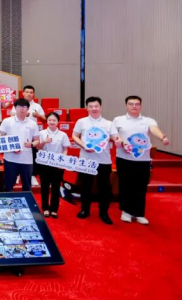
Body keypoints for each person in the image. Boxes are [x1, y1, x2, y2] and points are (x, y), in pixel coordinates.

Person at [113, 95, 170, 225]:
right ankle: (126, 211)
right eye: (131, 104)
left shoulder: (148, 120)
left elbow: (154, 129)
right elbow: (114, 135)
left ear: (140, 106)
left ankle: (139, 213)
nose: (134, 106)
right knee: (125, 185)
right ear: (126, 105)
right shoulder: (118, 120)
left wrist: (162, 137)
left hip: (142, 160)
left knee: (140, 186)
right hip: (124, 158)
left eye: (137, 104)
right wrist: (120, 141)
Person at [72, 96, 120, 224]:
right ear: (86, 108)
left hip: (104, 161)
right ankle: (85, 210)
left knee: (104, 187)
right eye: (91, 106)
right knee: (85, 186)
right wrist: (83, 146)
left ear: (101, 107)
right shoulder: (81, 122)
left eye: (96, 106)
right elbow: (75, 136)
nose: (94, 108)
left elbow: (116, 137)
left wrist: (118, 140)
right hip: (86, 160)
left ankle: (104, 213)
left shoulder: (109, 124)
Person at [0, 98, 40, 191]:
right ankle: (7, 200)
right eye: (19, 106)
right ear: (15, 108)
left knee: (27, 186)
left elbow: (37, 140)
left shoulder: (33, 124)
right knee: (8, 185)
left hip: (26, 159)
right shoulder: (7, 121)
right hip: (10, 158)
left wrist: (31, 144)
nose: (21, 108)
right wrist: (11, 147)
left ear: (28, 109)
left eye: (24, 107)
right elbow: (1, 138)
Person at [10, 85, 46, 187]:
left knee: (33, 154)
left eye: (31, 92)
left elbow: (44, 120)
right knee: (17, 153)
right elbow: (11, 115)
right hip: (17, 133)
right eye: (27, 92)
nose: (29, 94)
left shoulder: (37, 106)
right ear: (23, 93)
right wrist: (22, 114)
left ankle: (32, 175)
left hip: (32, 134)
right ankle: (17, 175)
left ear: (33, 94)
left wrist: (38, 115)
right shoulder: (17, 104)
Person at [37, 112, 70, 218]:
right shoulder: (41, 133)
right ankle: (45, 208)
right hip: (44, 164)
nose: (51, 122)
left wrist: (62, 161)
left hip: (57, 164)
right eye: (49, 120)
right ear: (46, 121)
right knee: (45, 187)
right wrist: (44, 141)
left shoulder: (63, 134)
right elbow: (38, 147)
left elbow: (65, 149)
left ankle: (54, 209)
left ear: (58, 122)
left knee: (56, 187)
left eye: (54, 120)